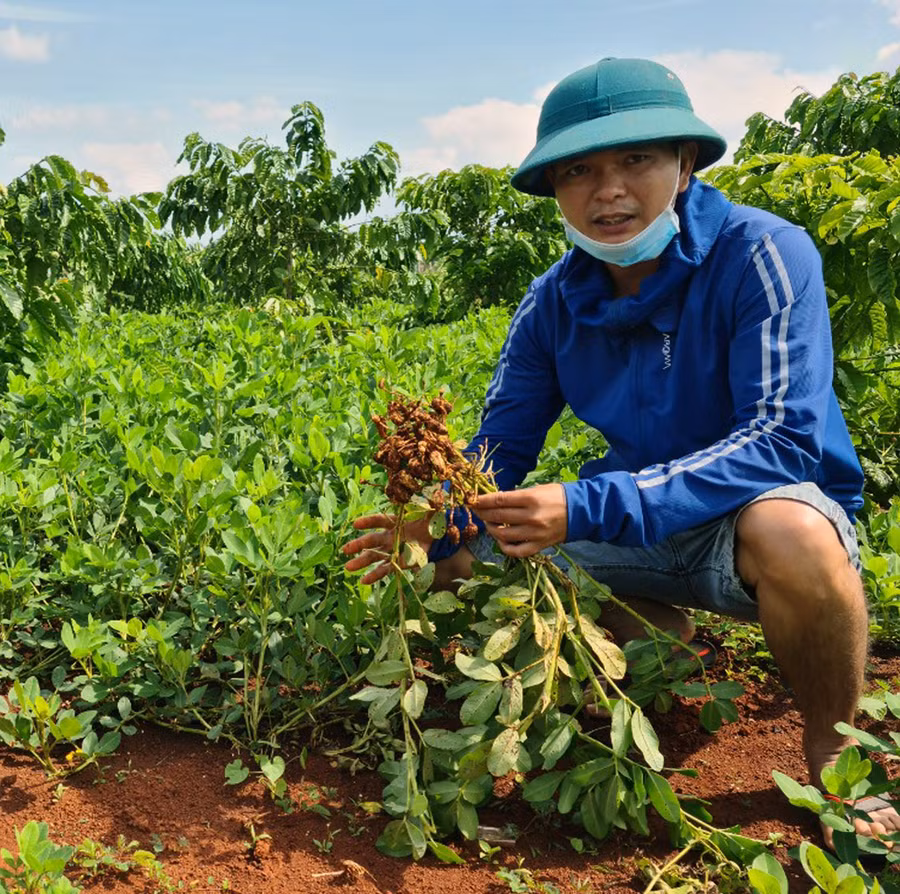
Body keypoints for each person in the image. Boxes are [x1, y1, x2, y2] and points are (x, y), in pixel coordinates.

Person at [344, 57, 899, 849]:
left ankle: (835, 751)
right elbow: (501, 444)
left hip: (753, 520)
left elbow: (782, 439)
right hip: (637, 526)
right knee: (460, 560)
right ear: (557, 190)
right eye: (580, 169)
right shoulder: (551, 302)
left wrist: (584, 505)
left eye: (636, 159)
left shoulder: (763, 255)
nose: (608, 190)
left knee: (795, 535)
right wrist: (437, 522)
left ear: (685, 165)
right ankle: (660, 643)